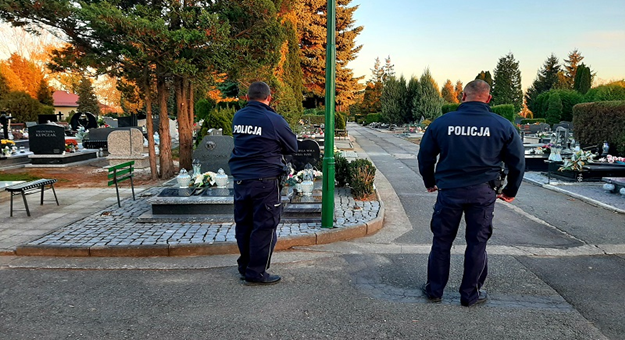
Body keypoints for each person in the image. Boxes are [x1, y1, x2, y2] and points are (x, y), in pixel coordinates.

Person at [417, 79, 525, 306]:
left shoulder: (442, 123)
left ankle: (435, 290)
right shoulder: (503, 125)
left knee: (442, 241)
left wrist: (429, 181)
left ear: (462, 96)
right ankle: (470, 295)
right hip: (483, 192)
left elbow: (425, 155)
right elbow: (517, 162)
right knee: (477, 243)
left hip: (449, 192)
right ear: (488, 98)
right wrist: (511, 190)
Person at [229, 81, 298, 286]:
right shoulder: (273, 119)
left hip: (241, 180)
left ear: (247, 98)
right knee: (264, 226)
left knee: (244, 224)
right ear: (269, 98)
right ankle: (257, 272)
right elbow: (292, 146)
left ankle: (245, 267)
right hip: (265, 182)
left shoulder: (238, 116)